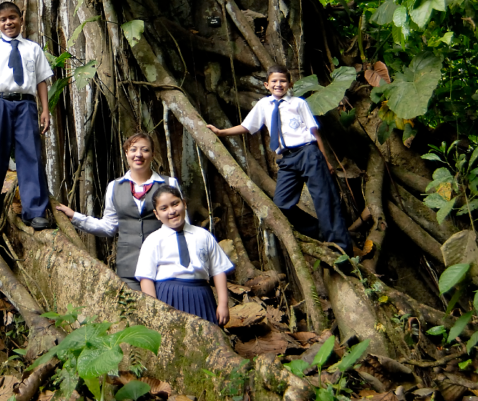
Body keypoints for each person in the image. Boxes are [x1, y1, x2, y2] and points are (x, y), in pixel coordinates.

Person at [206, 64, 352, 251]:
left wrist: (325, 159)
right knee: (282, 204)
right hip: (287, 159)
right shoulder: (263, 105)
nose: (278, 84)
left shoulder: (299, 103)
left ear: (290, 84)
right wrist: (222, 132)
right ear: (267, 85)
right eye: (274, 81)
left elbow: (314, 132)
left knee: (324, 199)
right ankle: (318, 231)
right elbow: (246, 126)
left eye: (283, 81)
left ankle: (341, 248)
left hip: (308, 152)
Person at [55, 133, 179, 290]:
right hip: (129, 267)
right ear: (126, 153)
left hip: (164, 264)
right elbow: (108, 227)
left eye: (145, 150)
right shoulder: (114, 187)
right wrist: (74, 217)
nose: (138, 155)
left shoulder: (169, 183)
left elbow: (182, 225)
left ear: (153, 155)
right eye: (133, 149)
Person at [0, 1, 54, 234]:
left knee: (30, 155)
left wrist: (44, 109)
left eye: (13, 18)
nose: (9, 22)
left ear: (21, 19)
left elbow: (41, 81)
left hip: (26, 105)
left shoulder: (33, 49)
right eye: (3, 19)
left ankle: (36, 211)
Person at [135, 185, 233, 325]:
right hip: (167, 297)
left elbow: (218, 270)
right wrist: (154, 310)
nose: (172, 211)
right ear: (156, 214)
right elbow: (146, 278)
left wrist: (223, 303)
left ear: (184, 204)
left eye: (175, 204)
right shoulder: (153, 240)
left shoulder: (203, 236)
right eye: (164, 208)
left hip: (201, 296)